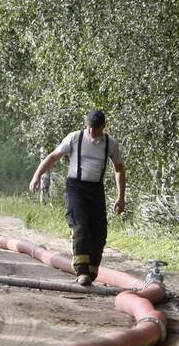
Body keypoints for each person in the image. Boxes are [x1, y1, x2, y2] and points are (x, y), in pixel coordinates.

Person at [28, 109, 126, 285]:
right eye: (89, 127)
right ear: (86, 124)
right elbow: (53, 156)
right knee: (80, 227)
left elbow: (119, 169)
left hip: (96, 189)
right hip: (76, 187)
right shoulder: (74, 138)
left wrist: (121, 197)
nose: (91, 131)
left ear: (103, 127)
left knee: (99, 232)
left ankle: (92, 271)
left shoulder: (110, 144)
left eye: (95, 129)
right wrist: (37, 176)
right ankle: (82, 272)